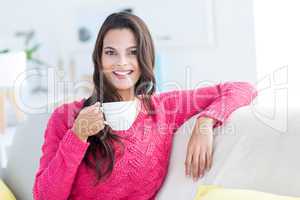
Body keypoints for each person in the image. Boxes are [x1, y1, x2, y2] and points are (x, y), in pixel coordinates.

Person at [33, 12, 257, 200]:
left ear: (145, 57)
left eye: (132, 52)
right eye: (111, 52)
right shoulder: (65, 117)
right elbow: (44, 197)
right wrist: (77, 137)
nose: (121, 62)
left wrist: (206, 122)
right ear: (99, 59)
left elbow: (242, 88)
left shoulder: (164, 109)